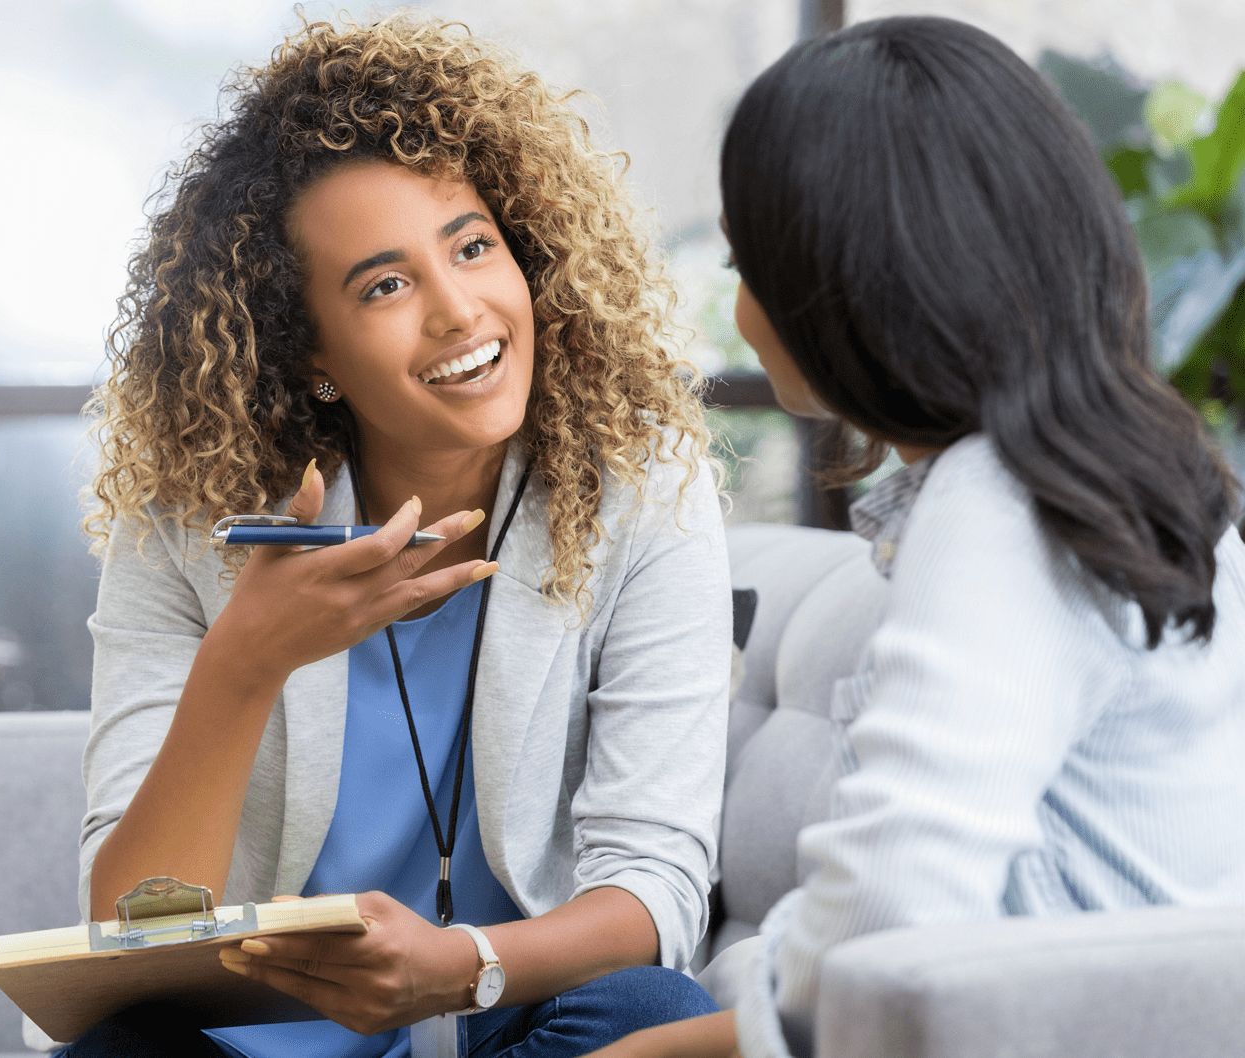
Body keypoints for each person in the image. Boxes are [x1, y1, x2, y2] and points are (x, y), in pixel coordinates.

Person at [70, 13, 732, 1058]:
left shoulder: (639, 490)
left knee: (655, 1013)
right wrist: (246, 659)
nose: (458, 311)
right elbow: (125, 939)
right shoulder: (189, 525)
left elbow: (653, 888)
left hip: (510, 1020)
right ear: (309, 355)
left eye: (471, 246)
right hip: (259, 1045)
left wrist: (462, 961)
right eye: (383, 284)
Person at [593, 16, 1245, 1058]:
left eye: (745, 258)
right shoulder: (1124, 473)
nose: (740, 302)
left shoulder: (1000, 507)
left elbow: (885, 915)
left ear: (849, 284)